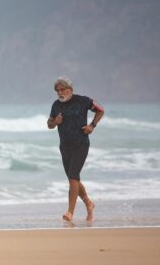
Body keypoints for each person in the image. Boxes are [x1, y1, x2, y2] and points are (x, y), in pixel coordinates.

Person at [47, 76, 104, 222]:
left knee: (73, 177)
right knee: (74, 180)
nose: (60, 93)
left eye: (63, 89)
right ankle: (89, 204)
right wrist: (55, 121)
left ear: (70, 89)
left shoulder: (83, 101)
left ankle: (70, 212)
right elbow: (49, 124)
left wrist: (92, 126)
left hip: (81, 144)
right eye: (57, 90)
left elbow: (100, 110)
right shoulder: (56, 105)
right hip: (65, 146)